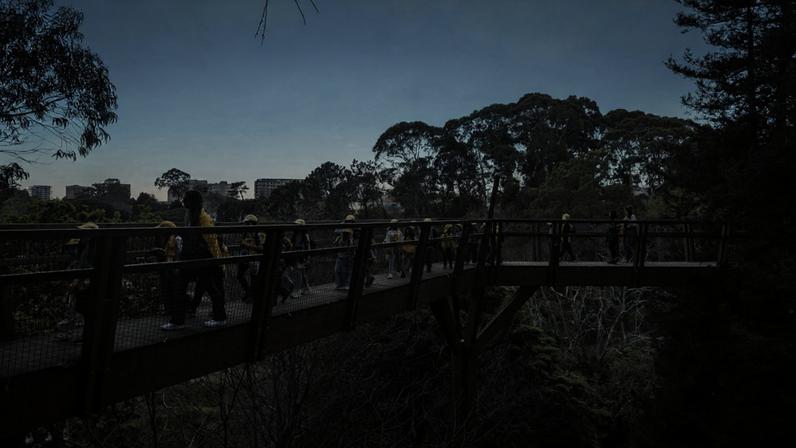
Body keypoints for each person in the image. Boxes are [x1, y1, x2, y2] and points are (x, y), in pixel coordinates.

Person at [174, 190, 227, 329]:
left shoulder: (203, 219)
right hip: (194, 257)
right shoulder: (191, 215)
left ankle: (219, 317)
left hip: (203, 258)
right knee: (183, 286)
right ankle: (177, 320)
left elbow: (210, 241)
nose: (183, 202)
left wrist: (216, 261)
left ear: (192, 202)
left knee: (209, 288)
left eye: (186, 199)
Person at [56, 222, 98, 341]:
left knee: (76, 306)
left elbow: (85, 267)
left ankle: (75, 333)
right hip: (83, 282)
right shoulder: (86, 247)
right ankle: (78, 333)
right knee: (77, 306)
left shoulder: (90, 249)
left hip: (84, 283)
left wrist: (75, 281)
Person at [151, 221, 186, 329]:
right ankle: (169, 309)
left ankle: (174, 312)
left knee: (173, 289)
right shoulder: (164, 240)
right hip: (168, 266)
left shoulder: (177, 239)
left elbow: (179, 253)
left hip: (174, 268)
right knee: (167, 288)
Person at [237, 214, 264, 303]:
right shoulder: (245, 233)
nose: (246, 225)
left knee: (253, 279)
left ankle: (251, 296)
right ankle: (248, 292)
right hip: (245, 257)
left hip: (254, 259)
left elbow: (261, 248)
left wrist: (247, 245)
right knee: (239, 275)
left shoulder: (258, 234)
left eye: (247, 223)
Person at [289, 218, 312, 298]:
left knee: (299, 272)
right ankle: (306, 288)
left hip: (302, 255)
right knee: (301, 272)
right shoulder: (295, 234)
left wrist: (308, 257)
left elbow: (308, 246)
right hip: (296, 254)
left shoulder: (305, 236)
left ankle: (297, 290)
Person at [333, 215, 356, 290]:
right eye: (347, 221)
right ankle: (339, 284)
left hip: (349, 254)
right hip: (340, 254)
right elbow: (336, 232)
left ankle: (348, 284)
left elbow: (352, 243)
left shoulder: (353, 232)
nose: (349, 223)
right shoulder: (342, 230)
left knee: (348, 270)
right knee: (337, 270)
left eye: (350, 221)